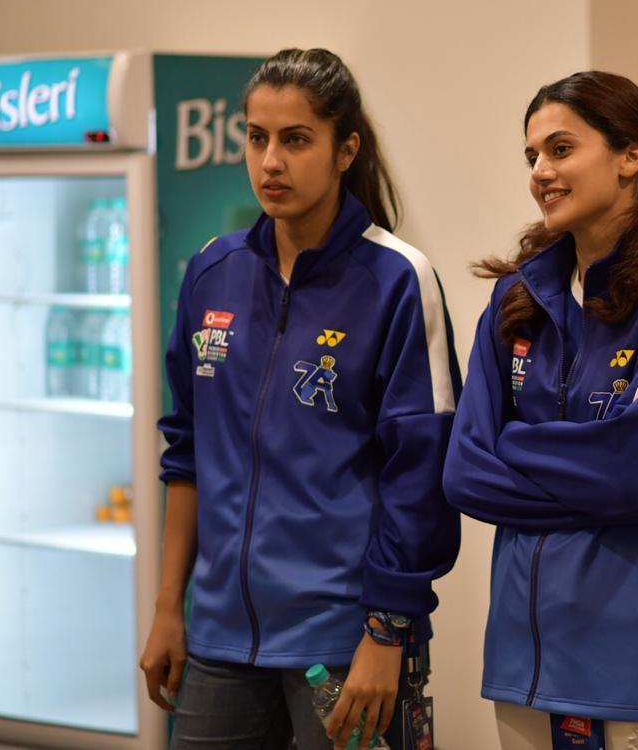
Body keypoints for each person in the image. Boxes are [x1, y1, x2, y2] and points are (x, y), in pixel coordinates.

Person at [139, 48, 461, 750]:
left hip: (345, 641)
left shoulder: (399, 280)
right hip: (220, 640)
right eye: (257, 138)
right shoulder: (212, 271)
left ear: (345, 149)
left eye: (295, 139)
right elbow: (186, 454)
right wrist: (170, 607)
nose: (270, 162)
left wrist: (386, 632)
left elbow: (424, 478)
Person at [443, 71, 638, 750]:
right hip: (525, 659)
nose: (542, 171)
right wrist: (606, 481)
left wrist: (515, 443)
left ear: (631, 156)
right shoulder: (515, 299)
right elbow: (463, 473)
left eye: (561, 149)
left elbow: (636, 471)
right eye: (532, 156)